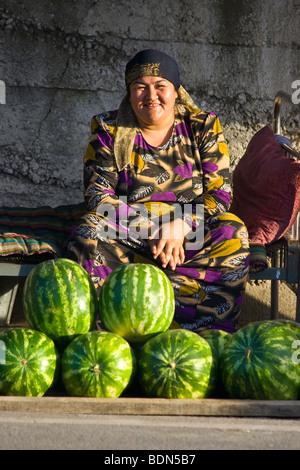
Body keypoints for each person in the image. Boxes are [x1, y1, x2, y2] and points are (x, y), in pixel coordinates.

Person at [68, 49, 249, 333]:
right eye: (140, 87)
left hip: (188, 233)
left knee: (232, 230)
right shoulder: (108, 129)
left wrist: (181, 224)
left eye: (160, 86)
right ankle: (110, 334)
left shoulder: (202, 126)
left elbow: (220, 195)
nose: (151, 95)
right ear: (130, 94)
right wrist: (153, 229)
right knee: (91, 228)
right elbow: (98, 196)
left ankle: (209, 335)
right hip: (134, 232)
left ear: (176, 91)